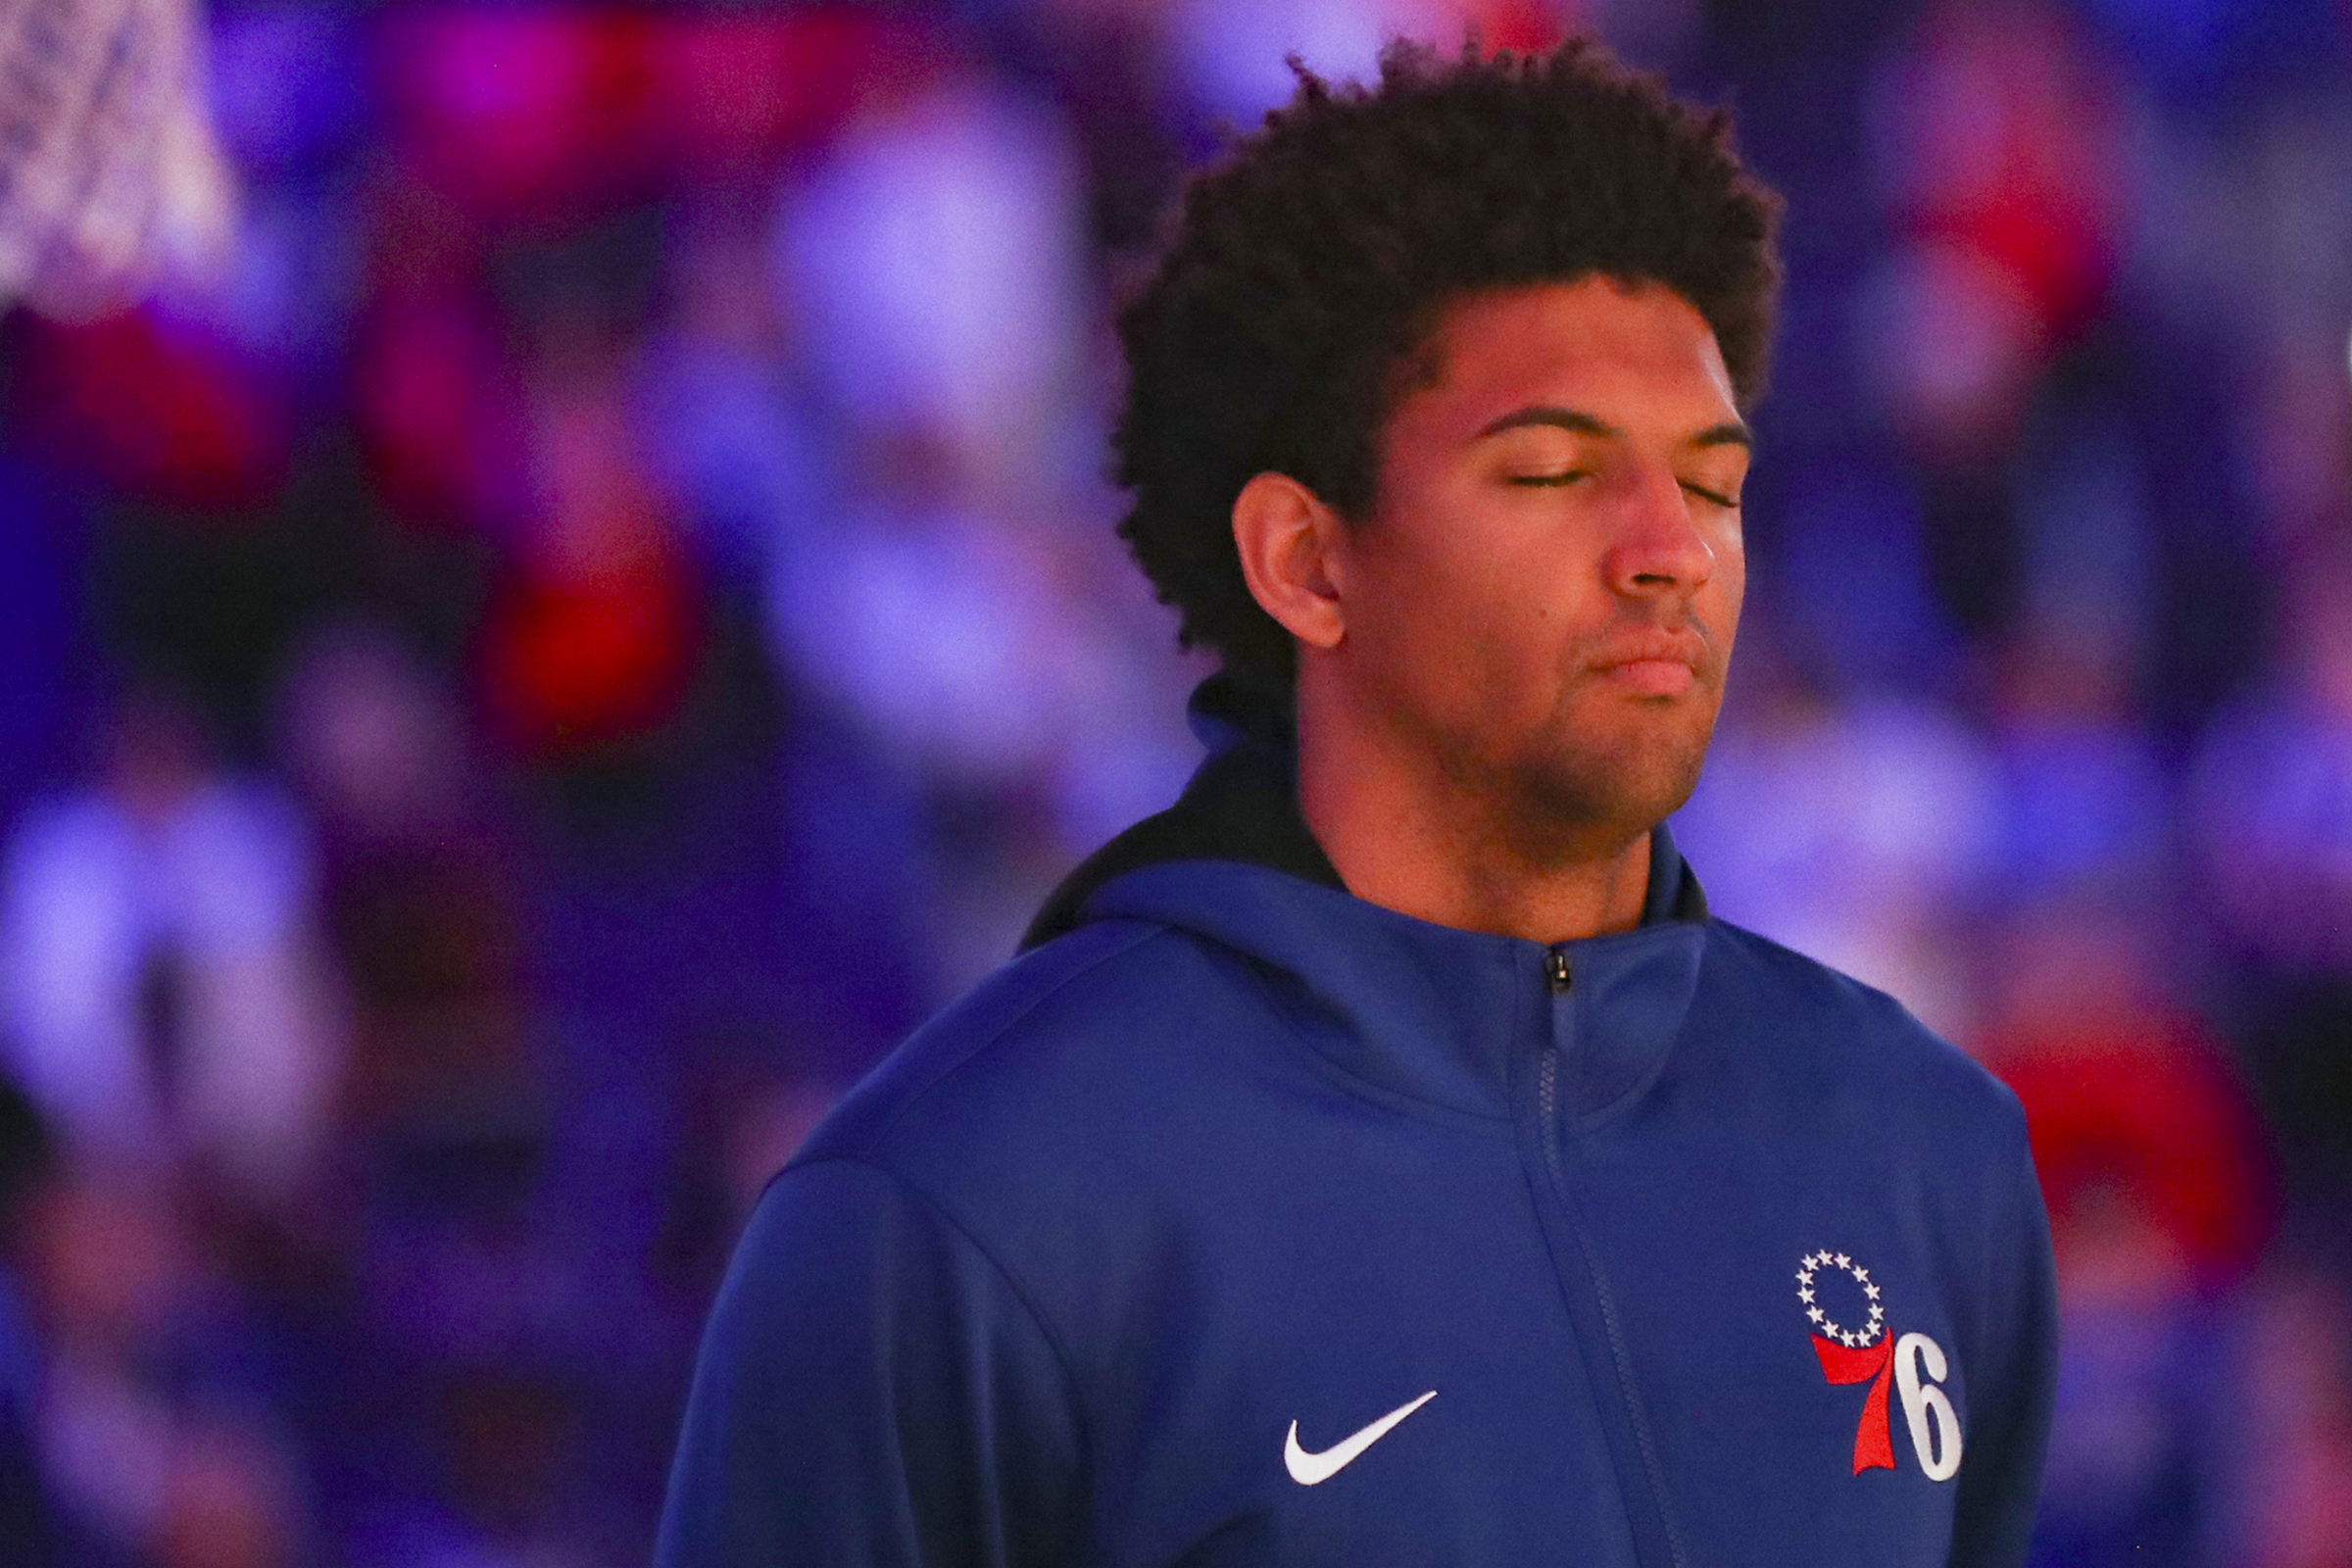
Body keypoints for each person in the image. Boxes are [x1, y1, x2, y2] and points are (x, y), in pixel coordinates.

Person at [657, 36, 2056, 1568]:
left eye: (1708, 480)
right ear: (1309, 564)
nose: (1670, 549)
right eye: (1551, 473)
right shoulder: (951, 1224)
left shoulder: (1927, 1148)